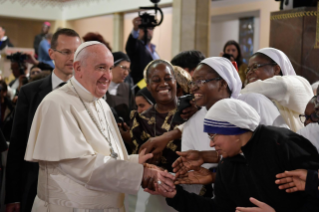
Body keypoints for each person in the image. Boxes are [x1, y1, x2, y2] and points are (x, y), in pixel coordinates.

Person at [24, 41, 175, 212]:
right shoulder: (56, 103)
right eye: (101, 67)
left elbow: (107, 153)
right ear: (78, 68)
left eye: (110, 68)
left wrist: (137, 162)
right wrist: (140, 173)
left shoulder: (101, 104)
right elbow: (80, 164)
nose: (108, 76)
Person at [147, 99, 319, 212]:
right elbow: (221, 209)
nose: (211, 144)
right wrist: (176, 196)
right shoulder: (227, 165)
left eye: (213, 136)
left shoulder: (283, 143)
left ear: (233, 130)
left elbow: (314, 197)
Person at [5, 28, 82, 212]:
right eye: (66, 52)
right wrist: (13, 196)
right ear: (51, 53)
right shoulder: (30, 92)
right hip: (35, 186)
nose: (72, 58)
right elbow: (17, 146)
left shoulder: (90, 93)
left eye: (76, 52)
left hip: (78, 190)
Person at [241, 47, 313, 132]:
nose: (249, 72)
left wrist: (237, 93)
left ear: (276, 69)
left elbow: (284, 86)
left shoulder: (299, 83)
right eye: (248, 69)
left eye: (255, 67)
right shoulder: (256, 92)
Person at [125, 17, 159, 84]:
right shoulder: (136, 46)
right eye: (143, 28)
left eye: (150, 28)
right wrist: (135, 29)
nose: (147, 30)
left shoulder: (153, 50)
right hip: (140, 86)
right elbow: (131, 46)